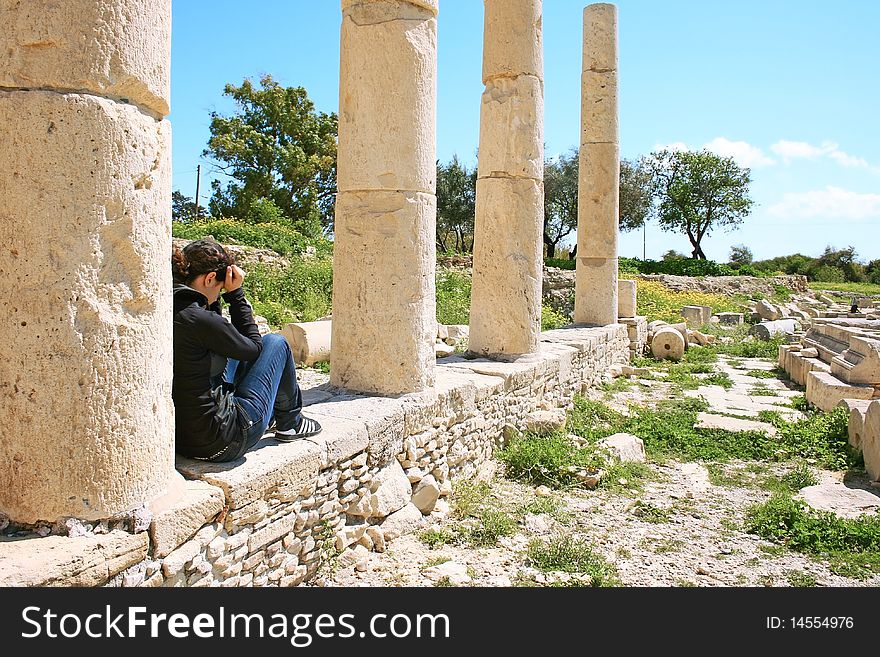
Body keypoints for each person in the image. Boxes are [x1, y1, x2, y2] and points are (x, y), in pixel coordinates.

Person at [171, 239, 321, 462]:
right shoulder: (201, 320)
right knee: (276, 343)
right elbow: (254, 349)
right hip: (223, 441)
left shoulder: (171, 307)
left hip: (182, 440)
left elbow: (222, 339)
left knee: (235, 353)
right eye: (220, 289)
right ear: (210, 278)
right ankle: (291, 423)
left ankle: (274, 413)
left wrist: (214, 297)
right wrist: (236, 295)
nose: (219, 295)